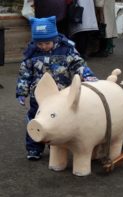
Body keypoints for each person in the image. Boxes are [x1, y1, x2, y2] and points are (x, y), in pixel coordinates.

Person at [16, 16, 98, 161]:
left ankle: (57, 145)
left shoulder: (67, 49)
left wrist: (88, 76)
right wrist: (22, 92)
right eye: (39, 43)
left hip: (61, 94)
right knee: (35, 119)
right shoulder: (32, 52)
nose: (43, 46)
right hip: (39, 96)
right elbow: (25, 73)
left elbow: (78, 64)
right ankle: (34, 148)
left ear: (54, 38)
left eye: (47, 42)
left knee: (59, 120)